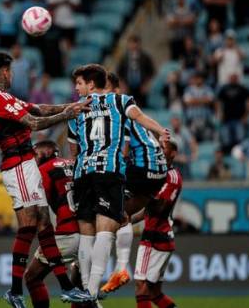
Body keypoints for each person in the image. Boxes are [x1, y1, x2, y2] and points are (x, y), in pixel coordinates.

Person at [0, 52, 92, 307]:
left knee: (43, 223)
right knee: (30, 225)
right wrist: (67, 115)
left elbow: (39, 108)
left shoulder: (6, 97)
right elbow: (32, 123)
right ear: (1, 71)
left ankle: (66, 288)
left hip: (27, 164)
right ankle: (15, 290)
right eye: (9, 70)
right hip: (18, 164)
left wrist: (70, 107)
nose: (11, 74)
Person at [68, 64, 169, 299]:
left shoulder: (75, 110)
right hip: (109, 171)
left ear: (91, 84)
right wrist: (160, 130)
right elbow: (140, 117)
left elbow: (73, 151)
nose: (76, 88)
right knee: (106, 228)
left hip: (83, 173)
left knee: (86, 233)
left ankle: (83, 288)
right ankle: (93, 290)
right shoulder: (120, 102)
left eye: (80, 83)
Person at [101, 71, 168, 294]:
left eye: (107, 89)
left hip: (143, 168)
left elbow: (125, 149)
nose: (104, 94)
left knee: (113, 210)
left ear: (117, 91)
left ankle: (119, 268)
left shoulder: (120, 110)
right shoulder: (125, 109)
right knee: (123, 214)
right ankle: (118, 267)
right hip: (157, 171)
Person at [24, 141, 83, 308]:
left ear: (49, 151)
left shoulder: (43, 170)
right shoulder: (75, 164)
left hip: (67, 234)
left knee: (32, 277)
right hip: (89, 233)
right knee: (80, 289)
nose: (33, 159)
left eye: (35, 154)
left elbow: (39, 211)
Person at [131, 140, 182, 308]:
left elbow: (161, 206)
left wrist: (143, 193)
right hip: (157, 236)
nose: (158, 151)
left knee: (141, 286)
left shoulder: (171, 176)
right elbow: (147, 209)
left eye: (162, 148)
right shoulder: (156, 173)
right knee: (154, 293)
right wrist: (128, 220)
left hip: (156, 237)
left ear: (173, 153)